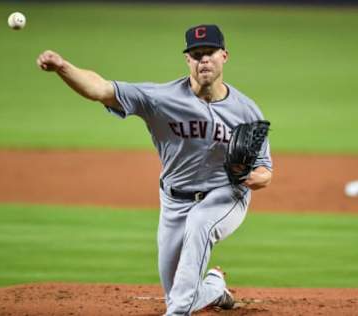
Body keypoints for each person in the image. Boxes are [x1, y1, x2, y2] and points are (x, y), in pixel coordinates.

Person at [37, 24, 272, 316]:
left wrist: (254, 177)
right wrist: (62, 67)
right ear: (188, 60)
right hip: (174, 200)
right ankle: (214, 287)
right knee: (176, 290)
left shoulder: (247, 110)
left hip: (225, 195)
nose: (203, 60)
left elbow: (264, 169)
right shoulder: (160, 98)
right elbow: (101, 89)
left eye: (209, 53)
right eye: (196, 54)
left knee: (200, 225)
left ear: (224, 55)